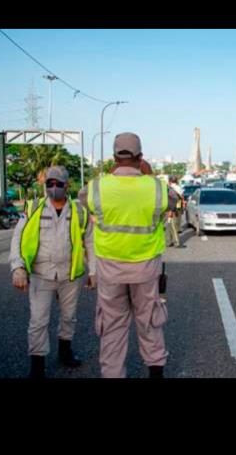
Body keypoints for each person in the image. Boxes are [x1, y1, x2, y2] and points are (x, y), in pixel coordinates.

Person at [86, 132, 179, 378]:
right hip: (146, 268)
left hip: (110, 269)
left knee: (113, 327)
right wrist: (148, 177)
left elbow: (83, 200)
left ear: (114, 157)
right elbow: (174, 201)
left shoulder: (95, 188)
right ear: (140, 157)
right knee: (149, 321)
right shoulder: (157, 188)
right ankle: (156, 372)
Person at [9, 166, 95, 379]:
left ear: (67, 186)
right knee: (38, 321)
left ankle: (65, 352)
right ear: (45, 185)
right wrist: (17, 267)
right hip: (41, 274)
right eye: (50, 183)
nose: (54, 187)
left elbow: (90, 243)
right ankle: (37, 365)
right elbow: (18, 239)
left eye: (58, 184)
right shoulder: (33, 208)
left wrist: (94, 271)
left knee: (69, 317)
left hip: (70, 275)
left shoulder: (79, 212)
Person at [166, 176, 186, 249]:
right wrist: (181, 208)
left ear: (170, 181)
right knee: (175, 225)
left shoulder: (167, 188)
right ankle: (176, 242)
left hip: (169, 208)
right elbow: (181, 199)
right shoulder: (177, 188)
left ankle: (168, 242)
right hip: (175, 209)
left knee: (169, 224)